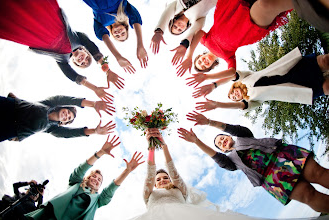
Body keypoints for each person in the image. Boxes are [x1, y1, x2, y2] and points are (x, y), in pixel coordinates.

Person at [178, 111, 329, 212]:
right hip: (274, 179)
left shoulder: (243, 136)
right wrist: (197, 141)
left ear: (229, 137)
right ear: (223, 150)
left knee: (318, 173)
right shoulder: (231, 161)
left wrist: (209, 122)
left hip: (282, 156)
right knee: (308, 195)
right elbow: (216, 158)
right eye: (219, 144)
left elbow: (231, 128)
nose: (222, 141)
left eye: (223, 138)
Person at [0, 0, 124, 100]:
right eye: (86, 58)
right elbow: (92, 47)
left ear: (75, 63)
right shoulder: (78, 39)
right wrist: (107, 70)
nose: (83, 60)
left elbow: (73, 76)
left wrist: (95, 88)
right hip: (51, 19)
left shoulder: (62, 60)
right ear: (84, 51)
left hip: (35, 36)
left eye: (81, 63)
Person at [130, 128, 256, 220]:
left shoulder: (181, 190)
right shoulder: (148, 194)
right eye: (158, 180)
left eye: (165, 177)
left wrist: (164, 146)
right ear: (155, 185)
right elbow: (150, 174)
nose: (162, 180)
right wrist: (151, 147)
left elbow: (172, 170)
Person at [25, 135, 144, 219]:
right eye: (94, 176)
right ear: (87, 178)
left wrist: (127, 171)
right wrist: (101, 152)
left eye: (99, 180)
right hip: (49, 216)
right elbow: (81, 170)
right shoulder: (75, 183)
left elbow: (111, 189)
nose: (96, 180)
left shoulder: (98, 200)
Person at [175, 0, 293, 76]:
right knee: (264, 5)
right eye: (205, 66)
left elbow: (199, 32)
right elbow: (232, 72)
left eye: (200, 61)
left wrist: (189, 57)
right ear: (211, 66)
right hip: (250, 27)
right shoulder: (228, 56)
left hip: (233, 7)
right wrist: (208, 79)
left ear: (200, 56)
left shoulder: (205, 41)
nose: (204, 62)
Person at [191, 48, 329, 112]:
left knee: (324, 60)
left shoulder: (245, 77)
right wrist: (218, 105)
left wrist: (213, 83)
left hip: (292, 69)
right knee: (327, 87)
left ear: (234, 88)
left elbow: (231, 76)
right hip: (296, 88)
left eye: (232, 94)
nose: (235, 96)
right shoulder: (252, 101)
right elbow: (239, 106)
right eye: (234, 98)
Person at [0, 93, 116, 142]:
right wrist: (93, 104)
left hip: (11, 129)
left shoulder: (53, 129)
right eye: (68, 112)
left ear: (63, 122)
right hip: (10, 107)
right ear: (62, 108)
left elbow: (72, 133)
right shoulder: (50, 103)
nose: (67, 115)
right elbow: (71, 100)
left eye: (68, 118)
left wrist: (94, 131)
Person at [82, 0, 148, 72]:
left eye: (117, 36)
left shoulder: (100, 23)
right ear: (125, 27)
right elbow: (135, 20)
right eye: (123, 33)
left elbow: (104, 37)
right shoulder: (125, 11)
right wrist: (140, 45)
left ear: (112, 34)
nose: (119, 33)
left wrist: (118, 56)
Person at [150, 0, 217, 66]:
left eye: (175, 26)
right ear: (185, 28)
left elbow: (167, 13)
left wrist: (159, 32)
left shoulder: (176, 7)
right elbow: (193, 31)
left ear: (174, 20)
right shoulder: (199, 19)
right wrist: (184, 45)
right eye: (180, 30)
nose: (179, 27)